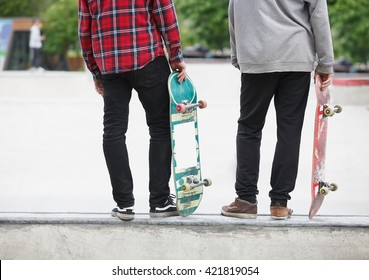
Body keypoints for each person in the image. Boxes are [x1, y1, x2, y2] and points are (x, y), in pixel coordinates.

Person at [222, 0, 334, 219]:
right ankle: (280, 203)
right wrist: (325, 63)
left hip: (256, 56)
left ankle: (245, 200)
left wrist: (237, 54)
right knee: (289, 131)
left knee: (249, 128)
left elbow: (233, 9)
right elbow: (318, 13)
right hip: (296, 56)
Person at [78, 0, 186, 221]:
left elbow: (84, 31)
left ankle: (124, 204)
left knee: (113, 131)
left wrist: (95, 71)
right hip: (148, 59)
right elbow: (166, 15)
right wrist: (176, 57)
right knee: (160, 129)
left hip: (110, 65)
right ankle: (159, 202)